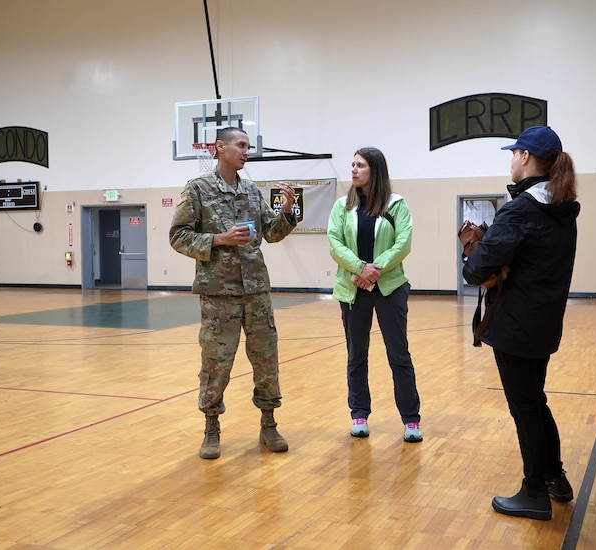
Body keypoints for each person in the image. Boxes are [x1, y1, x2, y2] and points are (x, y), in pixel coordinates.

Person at [462, 126, 580, 520]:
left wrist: (474, 248)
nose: (511, 159)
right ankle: (555, 479)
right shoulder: (562, 208)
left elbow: (477, 269)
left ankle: (533, 492)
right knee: (535, 401)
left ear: (526, 157)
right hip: (544, 324)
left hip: (516, 326)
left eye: (514, 153)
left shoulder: (522, 208)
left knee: (525, 407)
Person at [169, 126, 297, 459]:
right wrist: (218, 240)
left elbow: (271, 233)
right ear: (219, 147)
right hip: (218, 295)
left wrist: (286, 211)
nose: (246, 151)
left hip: (256, 291)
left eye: (249, 146)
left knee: (266, 359)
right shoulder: (197, 190)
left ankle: (268, 424)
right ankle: (211, 428)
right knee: (216, 363)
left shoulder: (252, 192)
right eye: (241, 145)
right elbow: (178, 237)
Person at [327, 147, 423, 443]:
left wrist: (373, 270)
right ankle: (359, 413)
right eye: (352, 165)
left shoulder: (396, 205)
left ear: (376, 170)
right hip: (353, 289)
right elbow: (334, 242)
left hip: (389, 288)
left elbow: (402, 243)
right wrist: (359, 267)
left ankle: (410, 419)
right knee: (357, 355)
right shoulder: (342, 206)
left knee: (399, 355)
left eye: (360, 165)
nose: (353, 170)